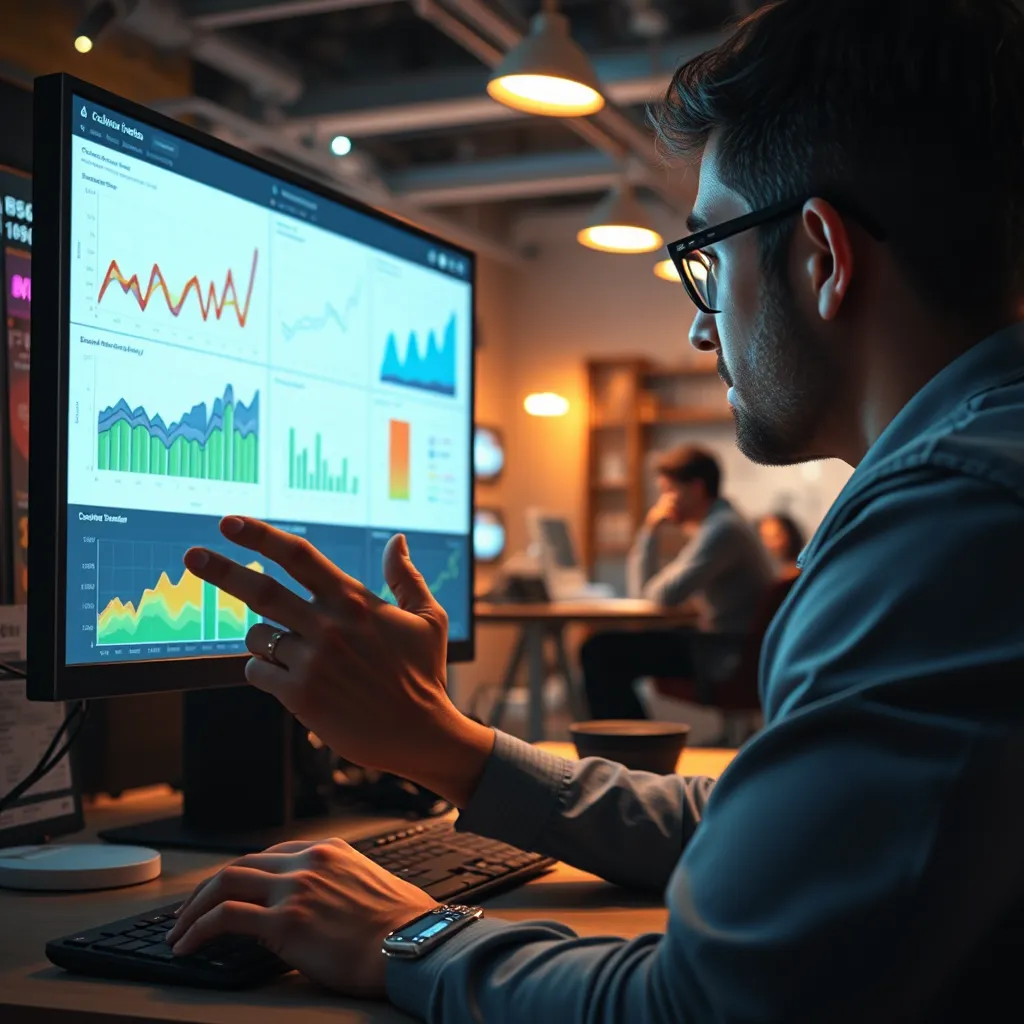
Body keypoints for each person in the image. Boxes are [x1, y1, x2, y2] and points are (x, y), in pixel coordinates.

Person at [166, 0, 1024, 1019]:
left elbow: (700, 1005)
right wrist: (452, 745)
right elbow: (761, 830)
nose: (703, 334)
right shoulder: (975, 484)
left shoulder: (951, 525)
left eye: (706, 257)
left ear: (822, 256)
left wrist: (409, 936)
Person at [581, 444, 774, 719]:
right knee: (606, 648)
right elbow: (649, 593)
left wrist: (650, 530)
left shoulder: (721, 531)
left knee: (600, 651)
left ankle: (631, 747)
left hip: (726, 654)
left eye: (668, 491)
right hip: (729, 646)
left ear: (696, 489)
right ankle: (632, 743)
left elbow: (661, 596)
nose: (663, 502)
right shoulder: (720, 524)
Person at [756, 511, 805, 579]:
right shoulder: (759, 576)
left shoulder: (800, 573)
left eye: (776, 537)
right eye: (764, 537)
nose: (769, 544)